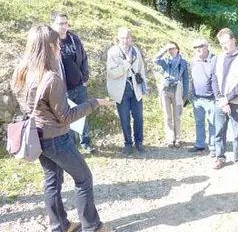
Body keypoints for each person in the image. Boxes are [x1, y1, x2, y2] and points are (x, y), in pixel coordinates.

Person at [11, 25, 113, 232]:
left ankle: (59, 226)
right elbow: (66, 117)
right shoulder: (51, 78)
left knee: (52, 181)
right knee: (84, 179)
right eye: (57, 43)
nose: (60, 46)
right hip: (56, 138)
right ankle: (92, 226)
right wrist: (94, 103)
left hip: (37, 136)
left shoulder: (21, 73)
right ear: (50, 46)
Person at [50, 11, 94, 154]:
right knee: (66, 119)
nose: (63, 26)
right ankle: (71, 148)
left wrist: (85, 78)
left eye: (65, 23)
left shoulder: (74, 39)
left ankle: (86, 144)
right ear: (53, 24)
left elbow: (84, 58)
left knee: (83, 114)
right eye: (60, 23)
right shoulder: (50, 42)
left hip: (79, 86)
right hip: (62, 89)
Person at [211, 28, 238, 171]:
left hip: (237, 103)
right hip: (220, 102)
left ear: (234, 40)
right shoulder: (217, 58)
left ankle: (237, 159)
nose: (224, 46)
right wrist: (220, 99)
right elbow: (214, 79)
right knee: (219, 132)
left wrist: (227, 99)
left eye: (226, 42)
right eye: (221, 43)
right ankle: (219, 158)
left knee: (237, 133)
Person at [106, 27, 147, 155]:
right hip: (121, 90)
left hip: (135, 88)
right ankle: (128, 143)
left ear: (131, 38)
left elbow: (141, 70)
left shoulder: (136, 51)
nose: (125, 40)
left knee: (138, 117)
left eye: (127, 38)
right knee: (124, 118)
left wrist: (143, 86)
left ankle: (139, 142)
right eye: (122, 38)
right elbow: (112, 72)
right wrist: (126, 64)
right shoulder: (113, 52)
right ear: (118, 38)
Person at [153, 41, 189, 148]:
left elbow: (186, 79)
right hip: (166, 90)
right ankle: (170, 138)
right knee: (167, 117)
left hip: (177, 91)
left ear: (178, 49)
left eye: (173, 48)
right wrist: (164, 49)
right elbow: (155, 59)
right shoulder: (165, 61)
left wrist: (185, 94)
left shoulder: (183, 62)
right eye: (169, 49)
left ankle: (177, 138)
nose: (171, 50)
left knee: (177, 116)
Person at [187, 38, 216, 156]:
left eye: (200, 46)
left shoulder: (215, 60)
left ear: (207, 46)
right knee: (199, 123)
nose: (197, 49)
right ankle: (199, 145)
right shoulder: (194, 61)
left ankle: (213, 147)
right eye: (195, 47)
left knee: (213, 123)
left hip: (212, 98)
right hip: (197, 98)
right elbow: (191, 78)